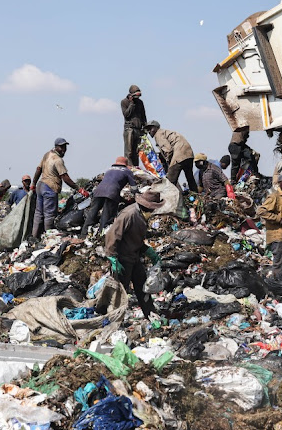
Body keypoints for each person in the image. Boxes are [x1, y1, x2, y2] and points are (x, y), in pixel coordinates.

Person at [105, 191, 165, 319]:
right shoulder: (129, 214)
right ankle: (114, 319)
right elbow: (111, 235)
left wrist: (148, 251)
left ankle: (150, 313)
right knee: (121, 291)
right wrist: (113, 258)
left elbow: (134, 238)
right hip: (122, 259)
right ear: (149, 207)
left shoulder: (142, 217)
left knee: (142, 286)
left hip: (134, 256)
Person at [31, 138, 90, 238]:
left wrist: (34, 183)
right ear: (56, 147)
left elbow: (38, 169)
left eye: (65, 147)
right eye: (61, 147)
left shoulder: (47, 154)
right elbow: (65, 177)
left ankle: (34, 237)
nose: (64, 150)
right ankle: (49, 238)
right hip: (49, 187)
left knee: (39, 214)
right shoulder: (58, 160)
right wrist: (79, 188)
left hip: (40, 186)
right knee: (49, 215)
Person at [81, 157, 138, 238]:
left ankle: (83, 235)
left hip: (98, 192)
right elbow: (134, 188)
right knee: (106, 216)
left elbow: (109, 184)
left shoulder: (109, 170)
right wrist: (138, 196)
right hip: (112, 193)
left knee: (92, 214)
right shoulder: (127, 171)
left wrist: (122, 199)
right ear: (126, 164)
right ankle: (101, 236)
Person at [145, 120, 198, 192]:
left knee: (170, 181)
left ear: (155, 127)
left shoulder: (158, 134)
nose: (149, 131)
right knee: (190, 178)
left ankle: (171, 200)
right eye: (147, 130)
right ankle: (196, 197)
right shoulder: (166, 132)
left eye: (150, 129)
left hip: (179, 155)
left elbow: (168, 150)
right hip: (188, 154)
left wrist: (169, 163)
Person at [121, 84, 147, 167]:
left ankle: (136, 168)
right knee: (129, 151)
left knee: (136, 151)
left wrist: (145, 128)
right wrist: (131, 103)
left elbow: (143, 116)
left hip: (138, 130)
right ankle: (129, 167)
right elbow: (126, 115)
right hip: (129, 129)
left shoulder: (140, 102)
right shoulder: (124, 102)